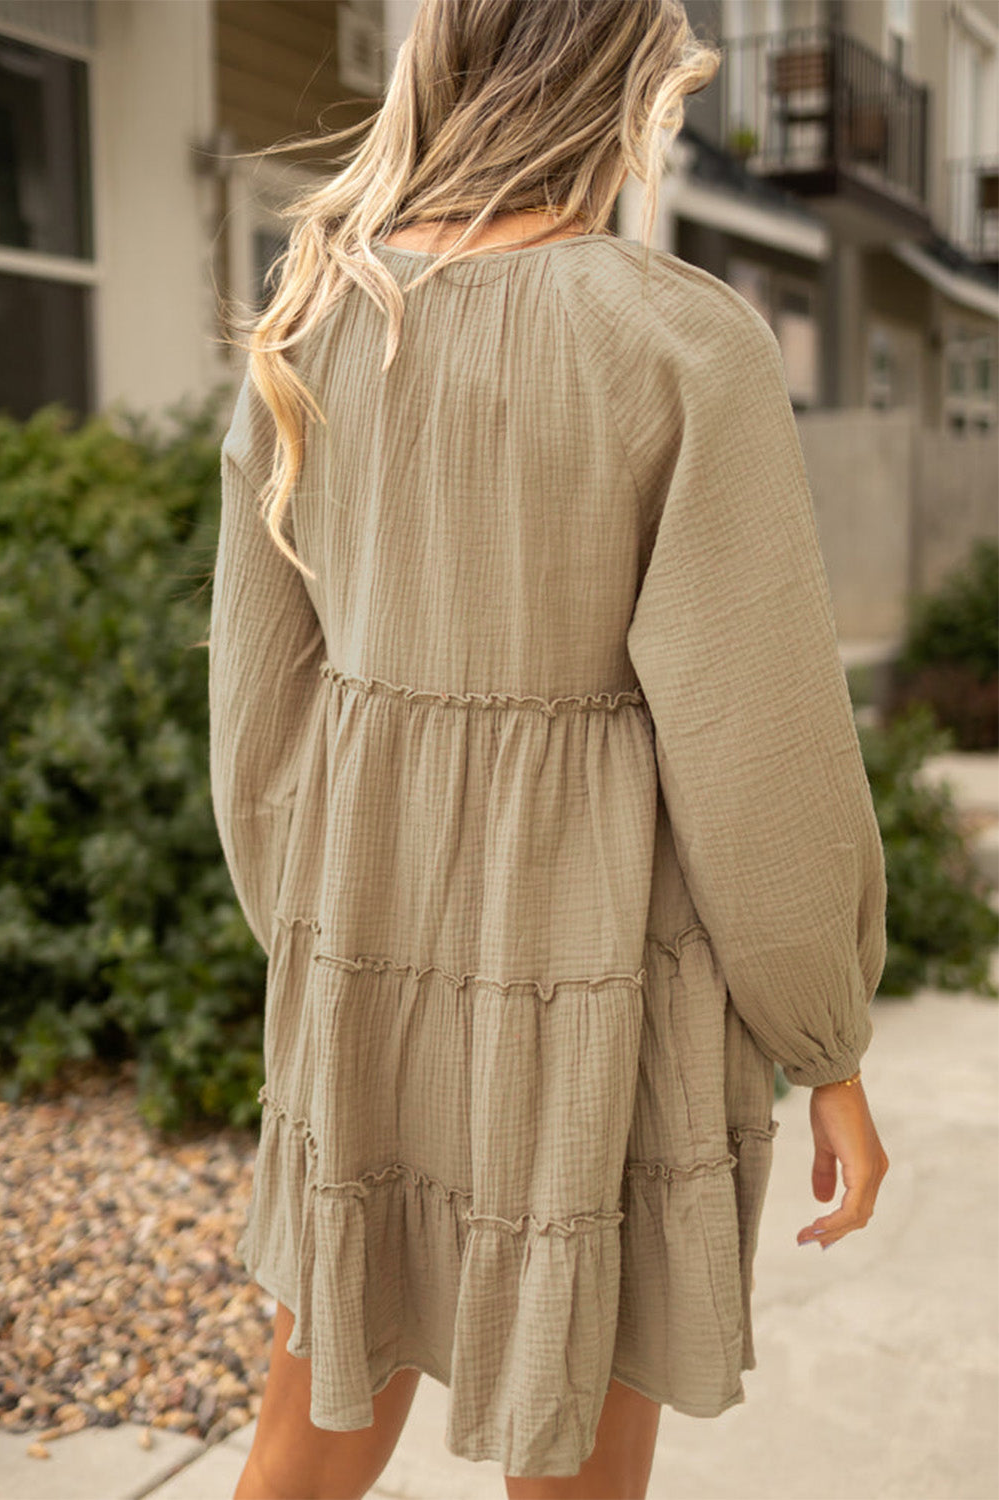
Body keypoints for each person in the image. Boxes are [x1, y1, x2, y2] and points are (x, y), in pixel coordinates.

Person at [210, 2, 891, 1497]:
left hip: (365, 953)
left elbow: (258, 715)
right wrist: (821, 1038)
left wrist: (322, 948)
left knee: (306, 1440)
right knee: (570, 1450)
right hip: (600, 973)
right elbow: (753, 737)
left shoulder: (318, 314)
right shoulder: (673, 337)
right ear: (632, 84)